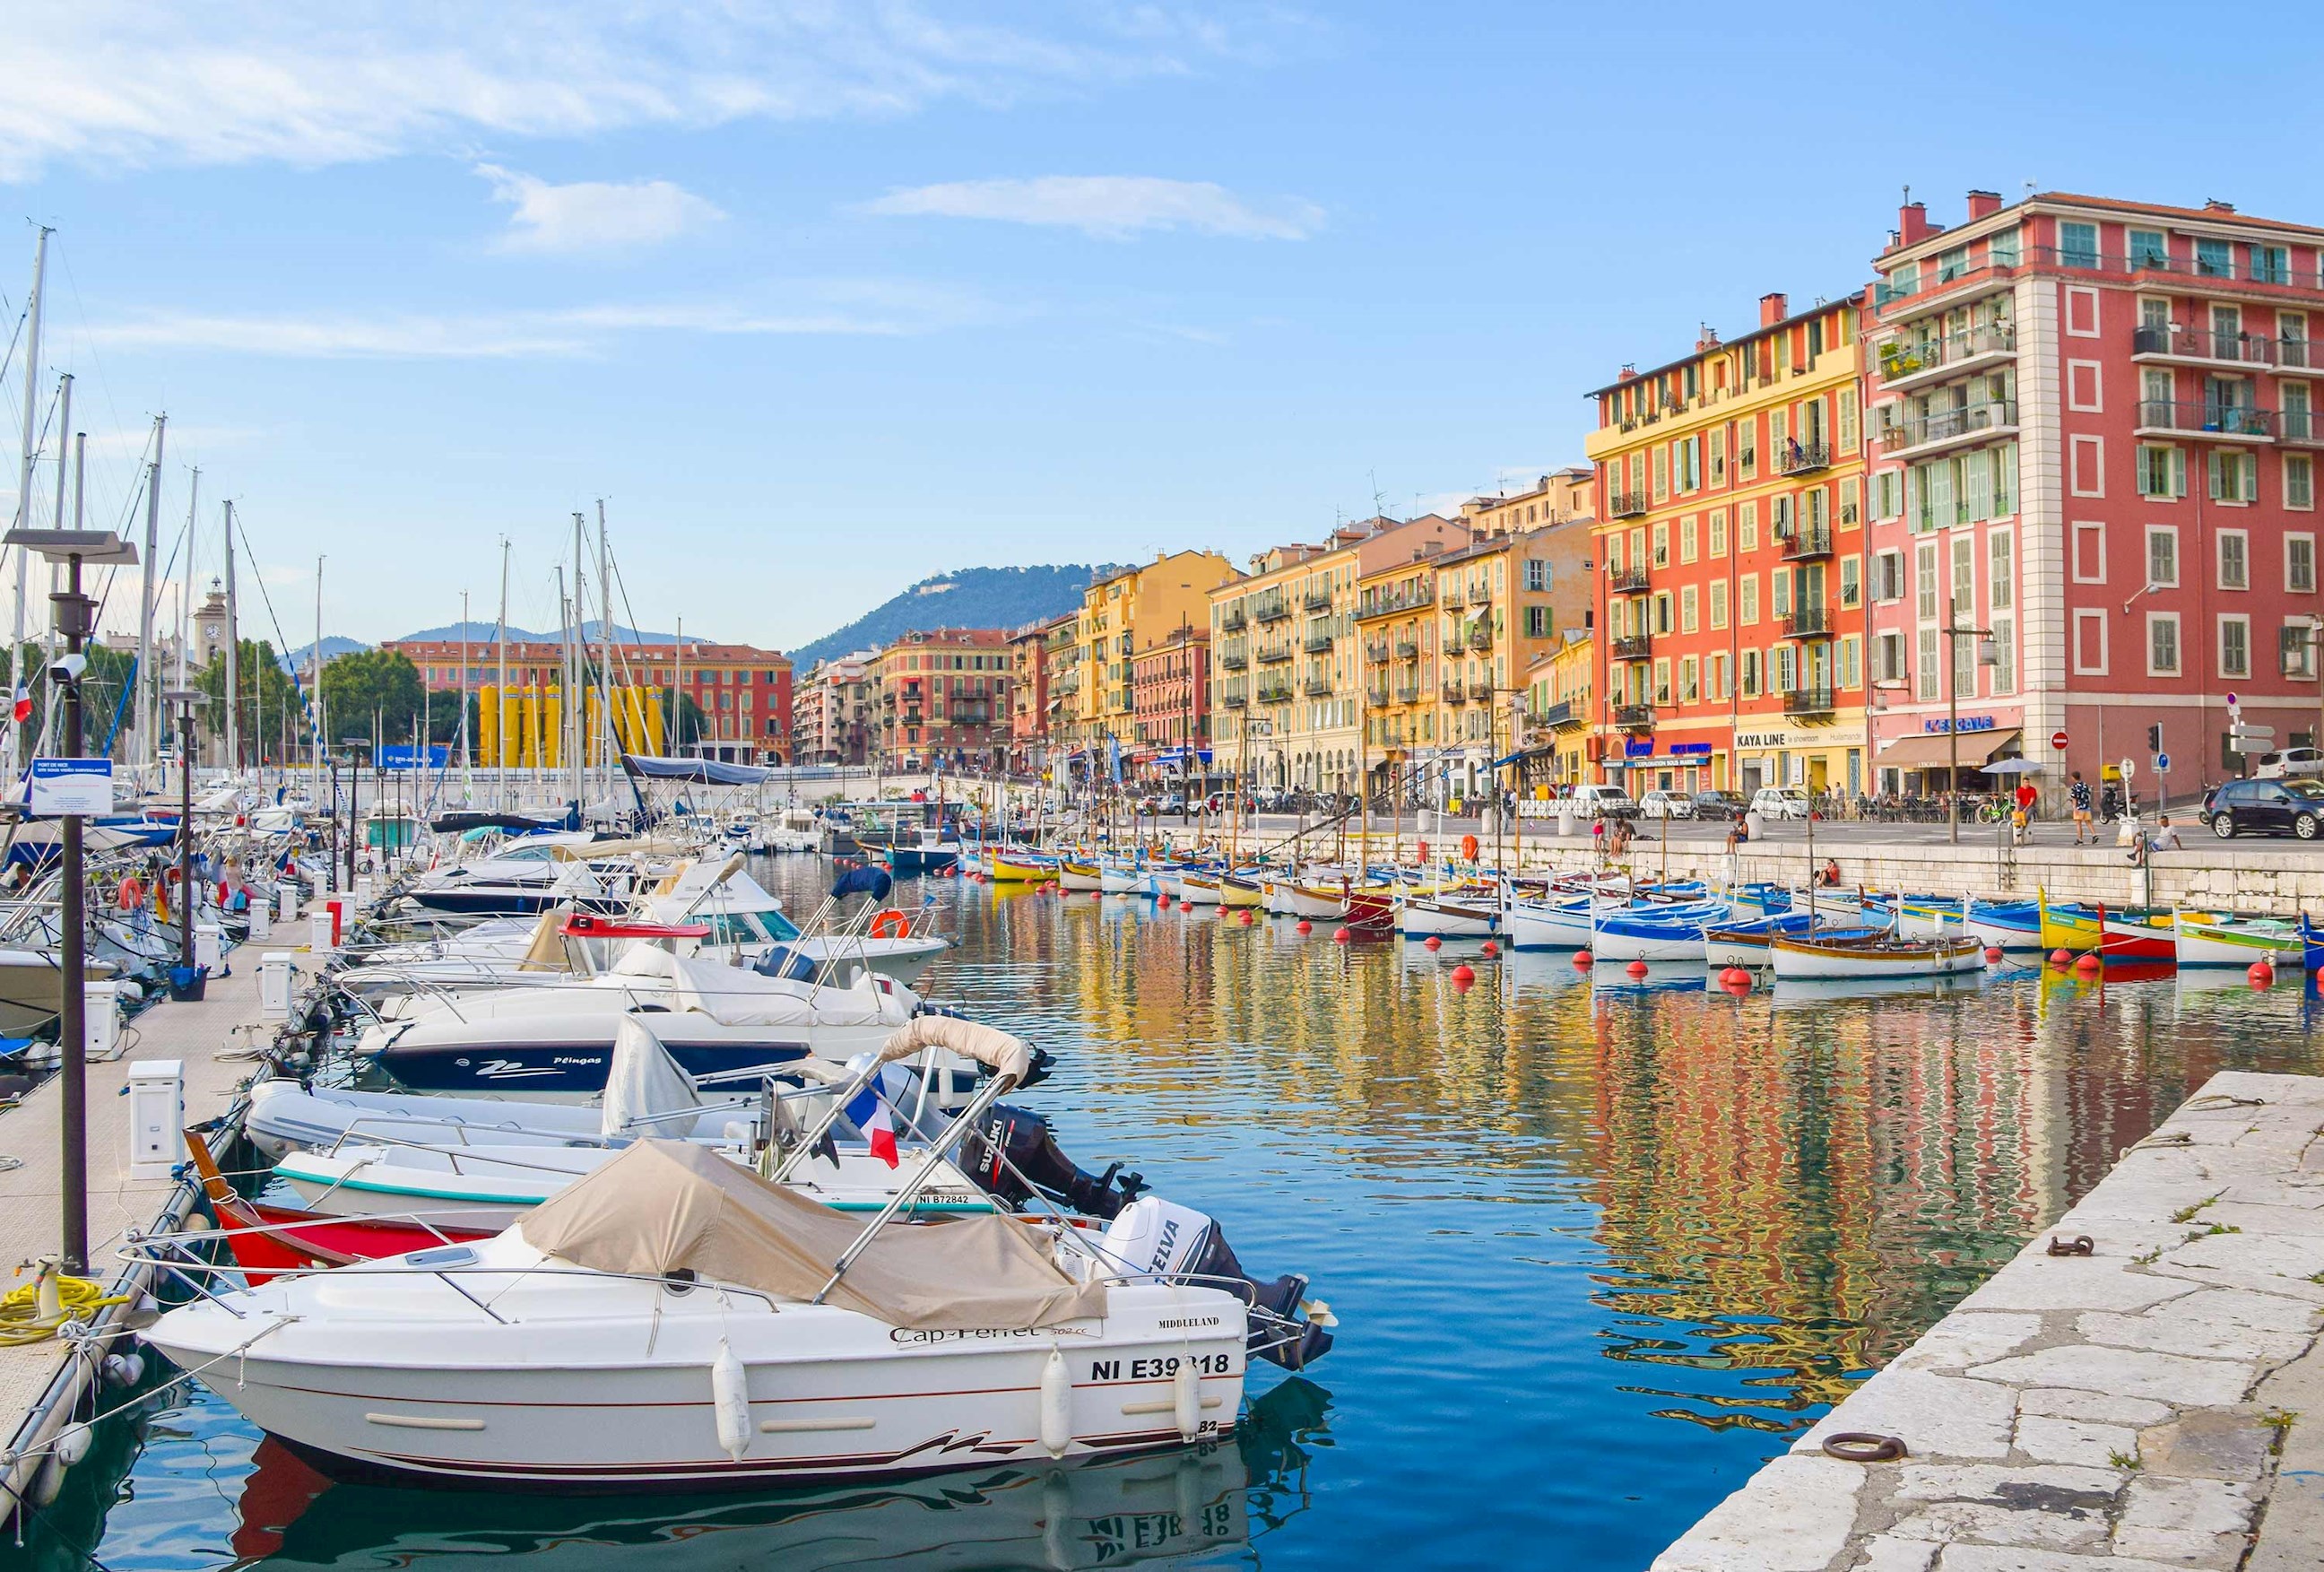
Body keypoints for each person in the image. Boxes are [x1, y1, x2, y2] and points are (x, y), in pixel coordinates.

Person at [2068, 771, 2093, 845]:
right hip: (2086, 806)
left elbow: (2074, 798)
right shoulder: (2085, 785)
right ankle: (2094, 834)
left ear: (2073, 777)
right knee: (2088, 822)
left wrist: (2074, 807)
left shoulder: (2075, 787)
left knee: (2078, 823)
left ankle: (2080, 839)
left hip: (2079, 807)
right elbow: (2088, 794)